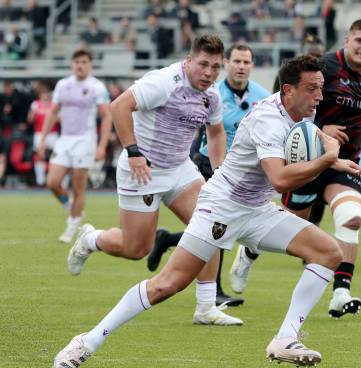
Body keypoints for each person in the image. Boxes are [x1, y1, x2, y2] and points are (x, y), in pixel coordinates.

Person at [52, 54, 361, 368]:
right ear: (288, 90)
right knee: (167, 285)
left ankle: (285, 338)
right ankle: (86, 342)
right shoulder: (269, 118)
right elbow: (281, 179)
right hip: (222, 207)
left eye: (321, 89)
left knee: (328, 252)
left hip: (256, 210)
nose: (320, 97)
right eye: (313, 89)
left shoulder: (298, 110)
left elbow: (313, 137)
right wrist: (327, 161)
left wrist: (332, 155)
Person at [64, 35, 242, 326]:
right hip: (143, 170)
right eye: (203, 65)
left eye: (215, 67)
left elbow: (217, 132)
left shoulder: (212, 95)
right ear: (189, 61)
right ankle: (90, 239)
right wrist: (133, 152)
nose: (209, 73)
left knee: (213, 222)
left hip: (179, 169)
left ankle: (206, 307)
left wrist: (219, 171)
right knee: (136, 249)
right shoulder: (164, 82)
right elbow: (119, 106)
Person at [231, 19, 361, 318]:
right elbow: (285, 99)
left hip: (345, 160)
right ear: (347, 40)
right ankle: (249, 251)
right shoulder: (324, 68)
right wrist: (319, 129)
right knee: (292, 225)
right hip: (306, 159)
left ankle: (341, 292)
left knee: (351, 217)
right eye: (360, 41)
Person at [147, 43, 271, 307]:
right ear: (227, 63)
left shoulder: (262, 96)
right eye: (236, 61)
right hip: (209, 162)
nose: (241, 66)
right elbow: (212, 132)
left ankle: (168, 239)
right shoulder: (213, 92)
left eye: (246, 62)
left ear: (252, 66)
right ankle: (213, 293)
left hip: (244, 172)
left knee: (222, 227)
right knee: (218, 225)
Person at [38, 50, 112, 242]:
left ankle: (71, 227)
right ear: (72, 64)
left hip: (85, 140)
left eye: (84, 62)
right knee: (52, 182)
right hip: (65, 140)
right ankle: (72, 208)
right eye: (77, 62)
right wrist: (43, 138)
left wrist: (101, 146)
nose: (80, 65)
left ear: (90, 65)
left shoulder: (96, 86)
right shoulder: (63, 85)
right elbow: (53, 112)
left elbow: (106, 116)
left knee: (78, 186)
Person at [28, 81, 59, 186]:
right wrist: (33, 115)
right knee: (39, 156)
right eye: (43, 93)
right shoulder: (35, 104)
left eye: (47, 93)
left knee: (55, 156)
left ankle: (55, 179)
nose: (45, 95)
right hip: (39, 133)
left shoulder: (54, 105)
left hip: (53, 133)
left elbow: (59, 120)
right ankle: (40, 181)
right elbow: (30, 121)